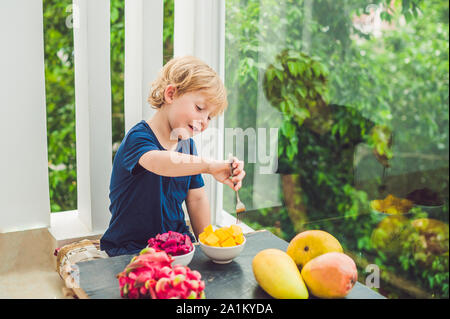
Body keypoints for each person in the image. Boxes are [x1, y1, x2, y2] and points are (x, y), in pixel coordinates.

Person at [100, 56, 245, 257]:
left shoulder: (188, 146)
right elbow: (160, 162)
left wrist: (208, 245)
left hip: (177, 246)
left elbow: (196, 198)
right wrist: (209, 165)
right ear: (171, 94)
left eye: (209, 117)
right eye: (200, 108)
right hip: (132, 249)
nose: (203, 122)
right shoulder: (138, 138)